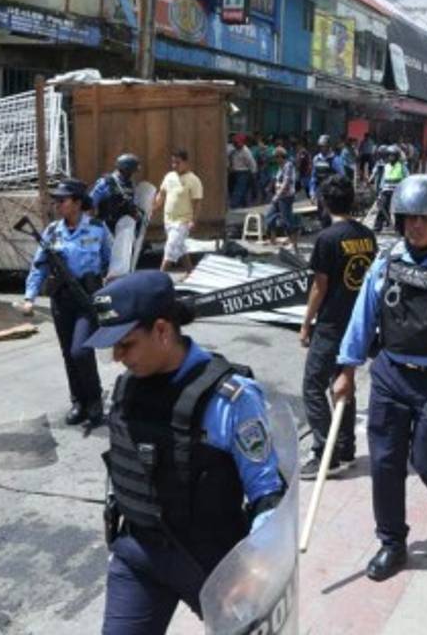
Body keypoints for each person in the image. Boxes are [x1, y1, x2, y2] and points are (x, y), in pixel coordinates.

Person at [88, 271, 287, 635]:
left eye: (126, 344)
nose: (117, 357)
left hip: (215, 565)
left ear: (162, 331)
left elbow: (267, 493)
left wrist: (256, 566)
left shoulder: (231, 399)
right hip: (139, 554)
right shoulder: (125, 390)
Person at [332, 175, 427, 582]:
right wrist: (346, 370)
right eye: (408, 218)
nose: (415, 225)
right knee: (385, 463)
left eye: (425, 218)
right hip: (390, 375)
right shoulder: (385, 264)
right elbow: (362, 318)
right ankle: (392, 543)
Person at [299, 175, 376, 480]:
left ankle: (324, 452)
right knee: (343, 382)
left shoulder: (328, 239)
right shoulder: (367, 236)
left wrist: (306, 324)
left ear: (324, 202)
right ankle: (345, 447)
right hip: (357, 323)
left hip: (331, 323)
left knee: (313, 386)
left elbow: (320, 286)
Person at [20, 179, 111, 427]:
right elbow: (39, 266)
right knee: (68, 354)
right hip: (62, 299)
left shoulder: (97, 228)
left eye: (63, 200)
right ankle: (78, 402)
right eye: (56, 200)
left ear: (78, 203)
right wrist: (30, 298)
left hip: (87, 298)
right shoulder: (51, 232)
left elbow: (110, 263)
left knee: (80, 351)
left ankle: (94, 400)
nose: (58, 204)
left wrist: (105, 287)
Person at [153, 149, 203, 276]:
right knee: (179, 248)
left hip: (182, 222)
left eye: (178, 163)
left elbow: (197, 203)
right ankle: (190, 273)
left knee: (170, 247)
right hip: (168, 220)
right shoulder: (169, 177)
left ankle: (160, 276)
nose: (174, 165)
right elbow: (161, 194)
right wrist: (153, 208)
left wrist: (193, 221)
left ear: (186, 162)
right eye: (173, 162)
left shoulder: (194, 180)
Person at [90, 153, 141, 227]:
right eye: (131, 171)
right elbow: (91, 203)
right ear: (126, 170)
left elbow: (133, 203)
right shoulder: (105, 183)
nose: (132, 174)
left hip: (123, 228)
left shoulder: (130, 184)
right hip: (106, 226)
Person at [264, 145, 297, 241]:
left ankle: (293, 241)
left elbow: (286, 182)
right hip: (278, 197)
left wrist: (277, 195)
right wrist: (269, 187)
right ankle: (273, 239)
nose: (275, 159)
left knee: (286, 220)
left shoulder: (288, 166)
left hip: (286, 197)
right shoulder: (280, 167)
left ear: (280, 156)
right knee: (269, 216)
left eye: (276, 157)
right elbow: (276, 179)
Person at [371, 146, 407, 232]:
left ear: (397, 156)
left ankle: (400, 227)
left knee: (398, 210)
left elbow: (406, 177)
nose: (391, 158)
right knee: (383, 208)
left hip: (398, 191)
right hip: (386, 190)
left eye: (393, 156)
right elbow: (383, 180)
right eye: (389, 156)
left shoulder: (402, 166)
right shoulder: (386, 166)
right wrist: (380, 191)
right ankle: (377, 226)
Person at [227, 135, 256, 209]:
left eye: (237, 143)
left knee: (239, 190)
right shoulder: (232, 149)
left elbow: (252, 163)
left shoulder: (246, 152)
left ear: (242, 143)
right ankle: (244, 205)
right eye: (235, 143)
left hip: (243, 172)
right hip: (233, 172)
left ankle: (234, 206)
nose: (236, 144)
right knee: (235, 190)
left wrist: (253, 174)